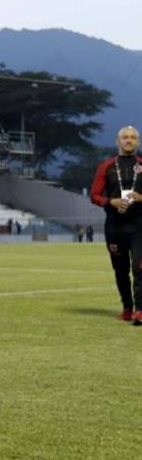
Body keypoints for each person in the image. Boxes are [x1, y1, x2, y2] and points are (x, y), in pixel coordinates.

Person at [89, 126, 142, 322]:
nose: (129, 140)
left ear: (138, 142)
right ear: (117, 141)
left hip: (139, 225)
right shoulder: (106, 166)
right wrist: (109, 201)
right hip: (115, 226)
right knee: (121, 270)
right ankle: (127, 307)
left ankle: (140, 310)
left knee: (139, 266)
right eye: (125, 137)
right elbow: (94, 195)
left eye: (133, 137)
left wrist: (140, 198)